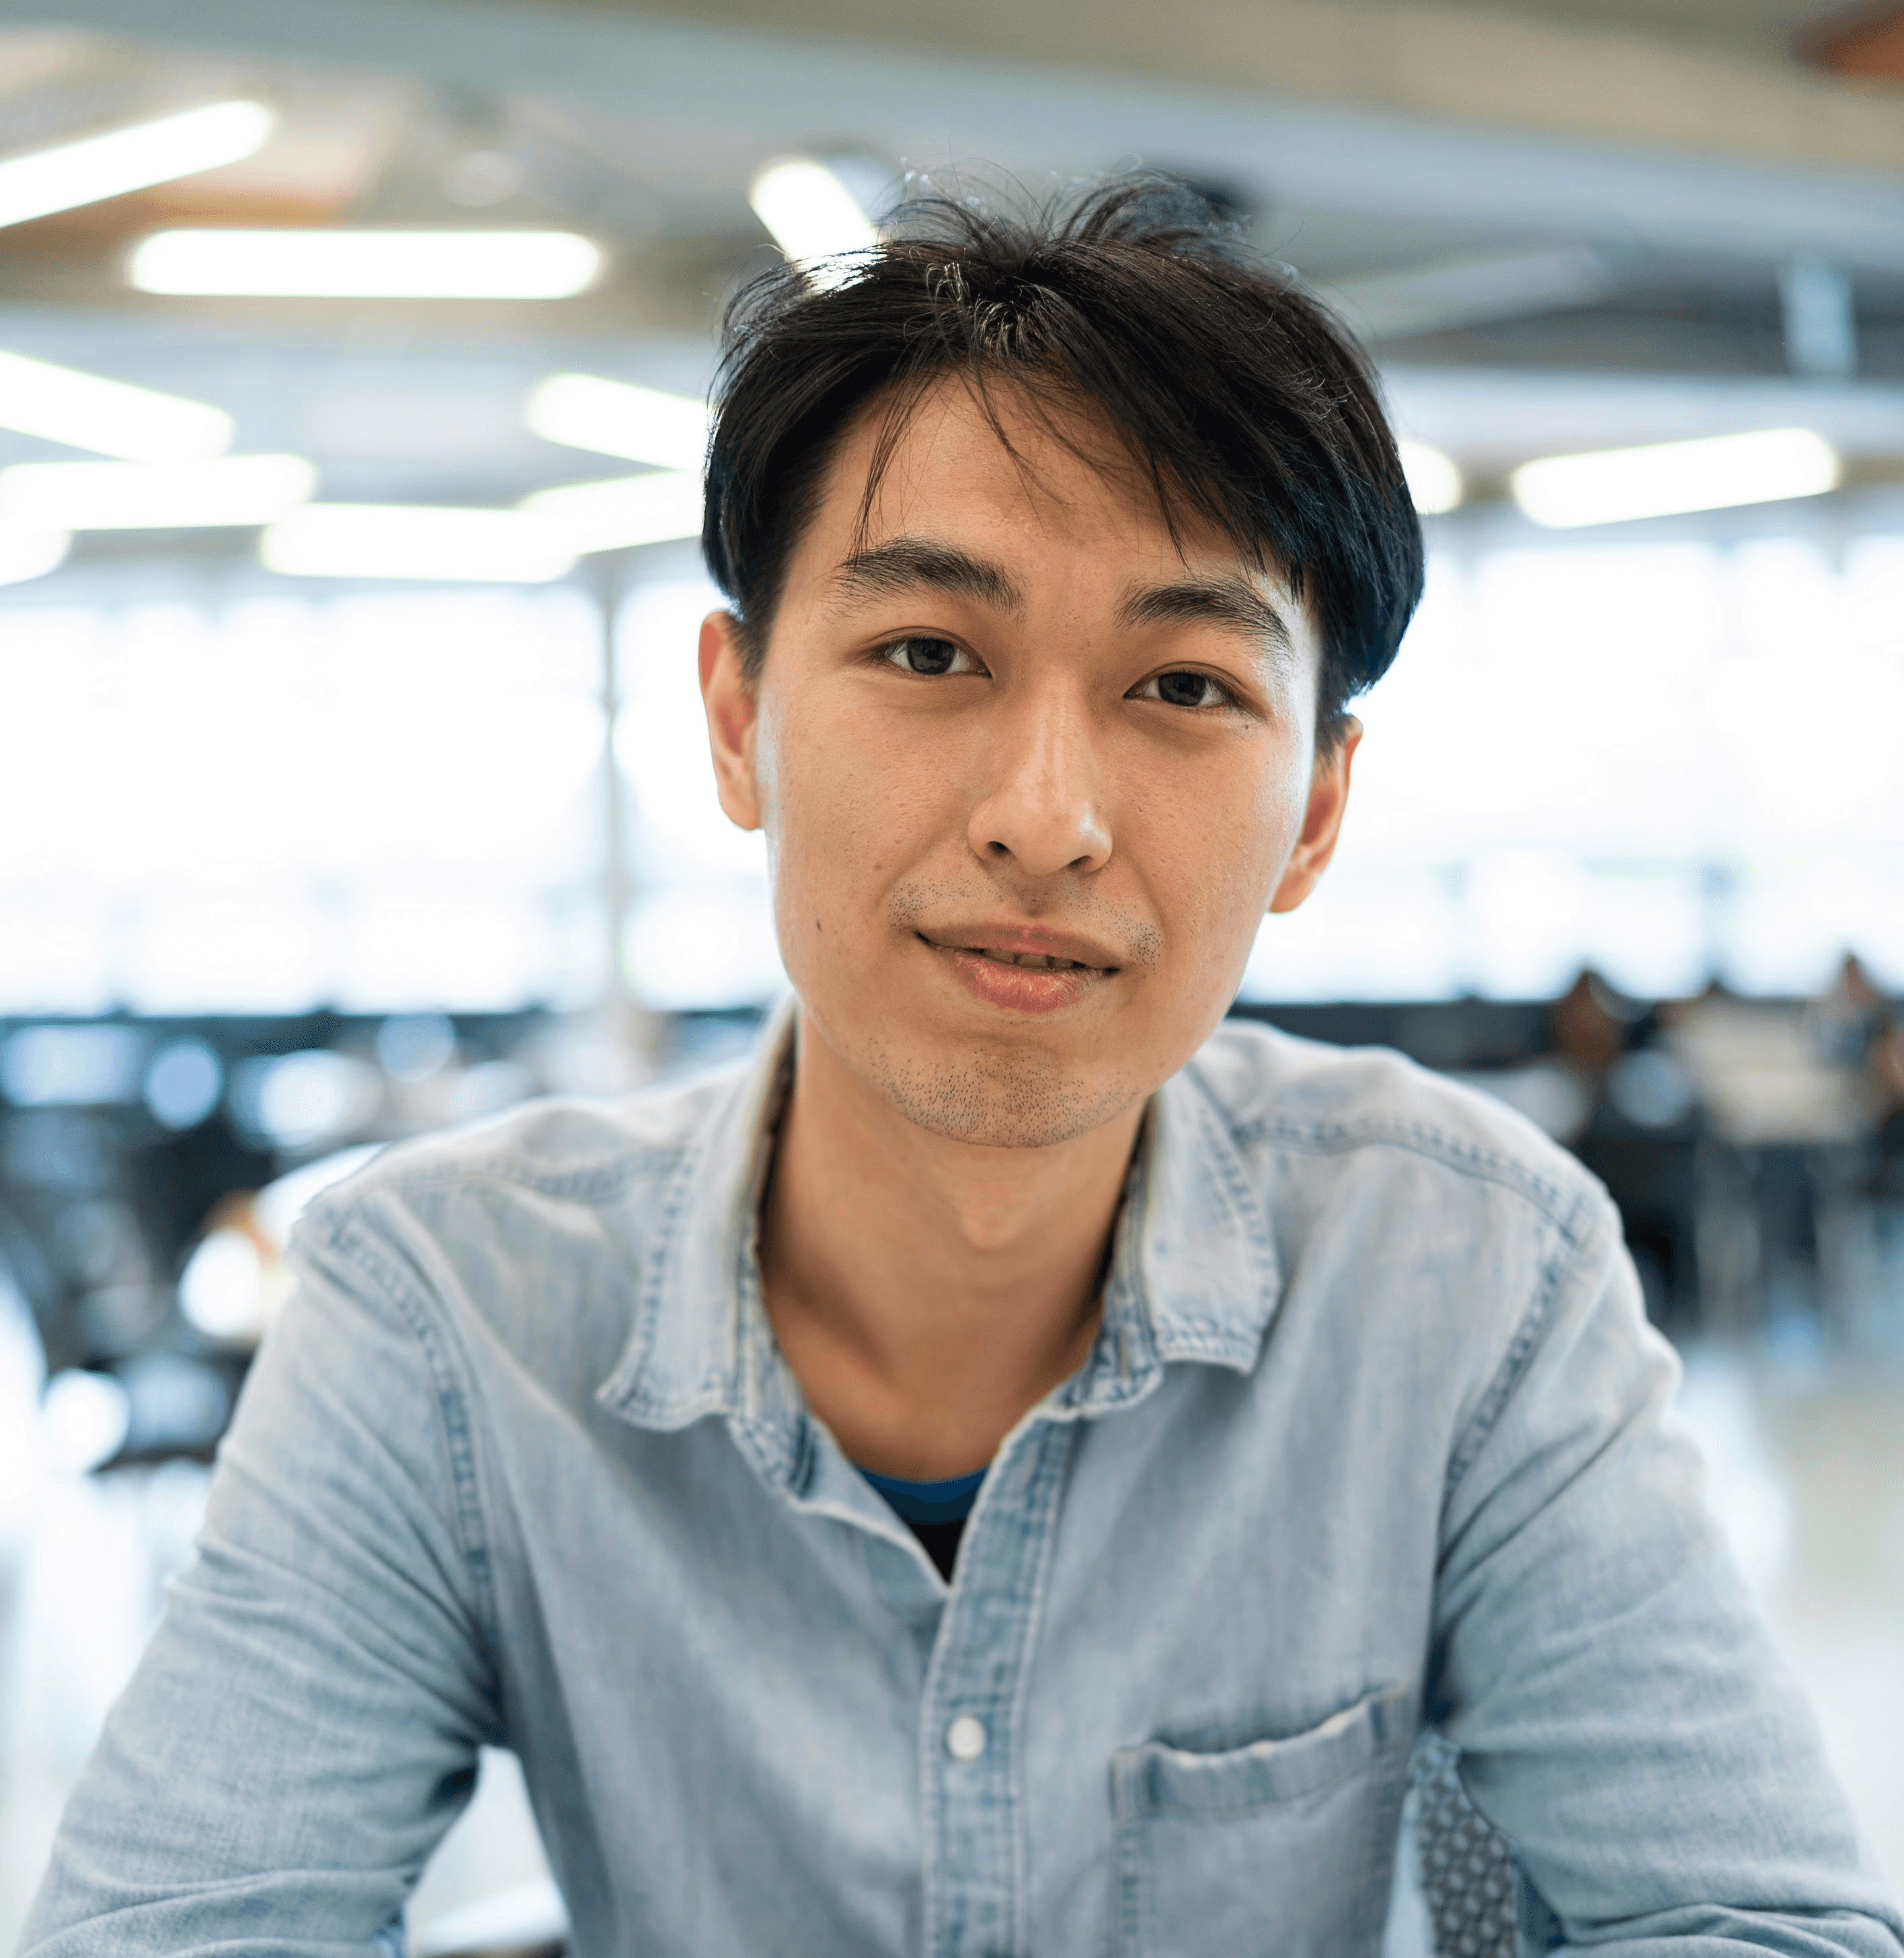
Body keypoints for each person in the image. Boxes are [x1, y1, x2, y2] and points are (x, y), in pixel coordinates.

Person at [22, 180, 1901, 1958]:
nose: (1048, 819)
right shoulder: (446, 1313)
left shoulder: (1471, 1276)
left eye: (1185, 687)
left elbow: (1753, 1915)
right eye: (930, 649)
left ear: (1317, 811)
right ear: (739, 719)